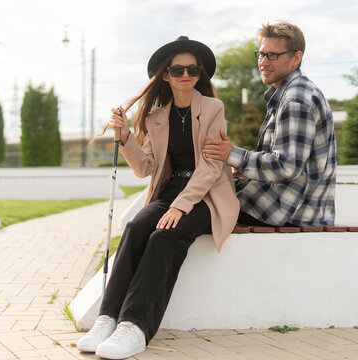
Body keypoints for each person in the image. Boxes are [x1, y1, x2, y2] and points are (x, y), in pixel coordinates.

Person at [77, 36, 239, 359]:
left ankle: (135, 328)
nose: (185, 75)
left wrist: (181, 206)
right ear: (165, 75)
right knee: (137, 227)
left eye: (192, 69)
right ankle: (107, 319)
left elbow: (210, 167)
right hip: (168, 191)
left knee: (163, 238)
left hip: (207, 196)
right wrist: (124, 137)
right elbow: (146, 167)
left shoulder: (212, 109)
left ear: (199, 74)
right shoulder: (155, 117)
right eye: (177, 69)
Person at [203, 22, 337, 227]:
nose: (263, 62)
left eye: (272, 56)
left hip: (291, 214)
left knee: (190, 211)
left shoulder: (296, 99)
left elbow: (287, 166)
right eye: (261, 54)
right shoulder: (289, 92)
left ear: (296, 58)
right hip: (282, 205)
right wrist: (243, 167)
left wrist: (232, 155)